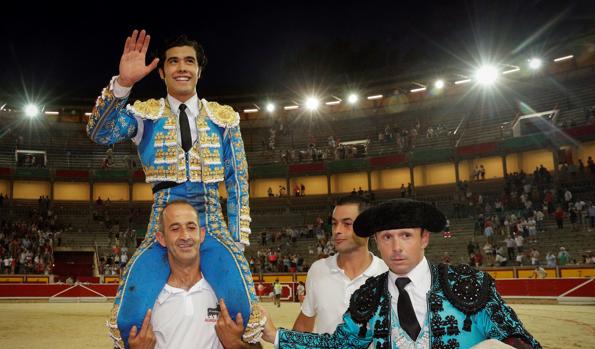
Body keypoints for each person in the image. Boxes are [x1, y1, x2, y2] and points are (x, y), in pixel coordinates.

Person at [86, 30, 258, 347]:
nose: (182, 67)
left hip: (212, 224)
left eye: (189, 61)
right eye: (174, 61)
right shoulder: (145, 115)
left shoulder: (224, 119)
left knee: (244, 314)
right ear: (162, 71)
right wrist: (123, 84)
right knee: (128, 318)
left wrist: (235, 240)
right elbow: (100, 132)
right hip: (162, 223)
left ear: (199, 70)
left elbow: (237, 178)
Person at [261, 199, 541, 349]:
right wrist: (276, 335)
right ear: (377, 241)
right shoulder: (368, 296)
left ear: (424, 239)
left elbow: (520, 340)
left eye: (405, 235)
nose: (395, 247)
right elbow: (338, 345)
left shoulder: (468, 285)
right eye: (386, 237)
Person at [127, 200, 260, 349]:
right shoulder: (146, 298)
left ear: (201, 234)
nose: (185, 236)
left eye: (191, 227)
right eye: (175, 229)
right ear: (161, 238)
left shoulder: (227, 290)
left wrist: (234, 344)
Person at [292, 196, 388, 334]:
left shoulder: (387, 274)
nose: (337, 230)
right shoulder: (318, 270)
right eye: (334, 223)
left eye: (347, 224)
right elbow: (303, 325)